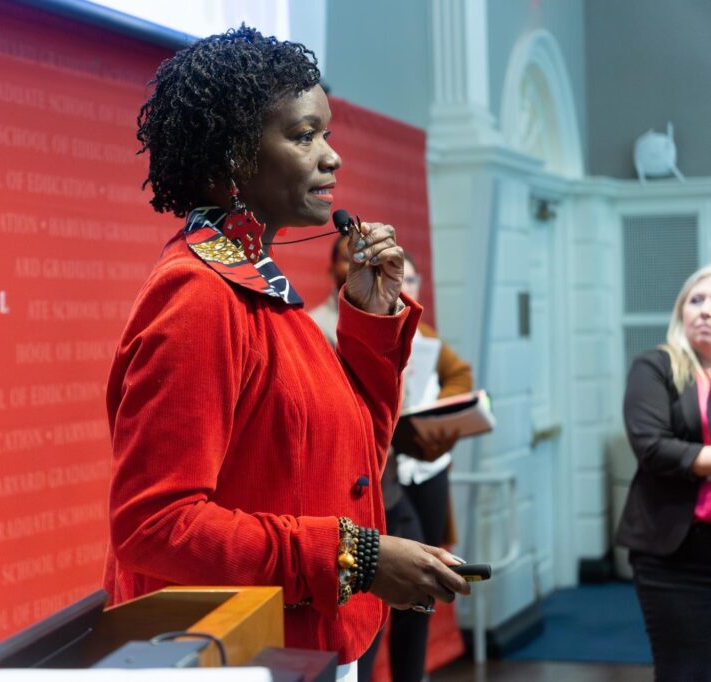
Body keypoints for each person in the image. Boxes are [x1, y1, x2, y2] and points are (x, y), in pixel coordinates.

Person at [105, 27, 469, 680]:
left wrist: (370, 317)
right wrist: (351, 556)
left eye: (325, 134)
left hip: (304, 641)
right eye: (303, 136)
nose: (331, 159)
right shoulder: (199, 294)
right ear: (234, 159)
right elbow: (155, 525)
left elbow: (354, 460)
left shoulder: (257, 279)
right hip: (241, 653)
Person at [315, 242, 471, 681]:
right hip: (353, 494)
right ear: (336, 268)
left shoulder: (405, 326)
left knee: (419, 590)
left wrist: (433, 414)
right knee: (363, 605)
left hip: (396, 483)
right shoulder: (316, 328)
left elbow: (453, 374)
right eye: (351, 260)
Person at [617, 265, 711, 680]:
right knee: (685, 671)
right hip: (676, 551)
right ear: (680, 312)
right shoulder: (656, 366)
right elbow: (653, 447)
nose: (705, 311)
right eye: (696, 300)